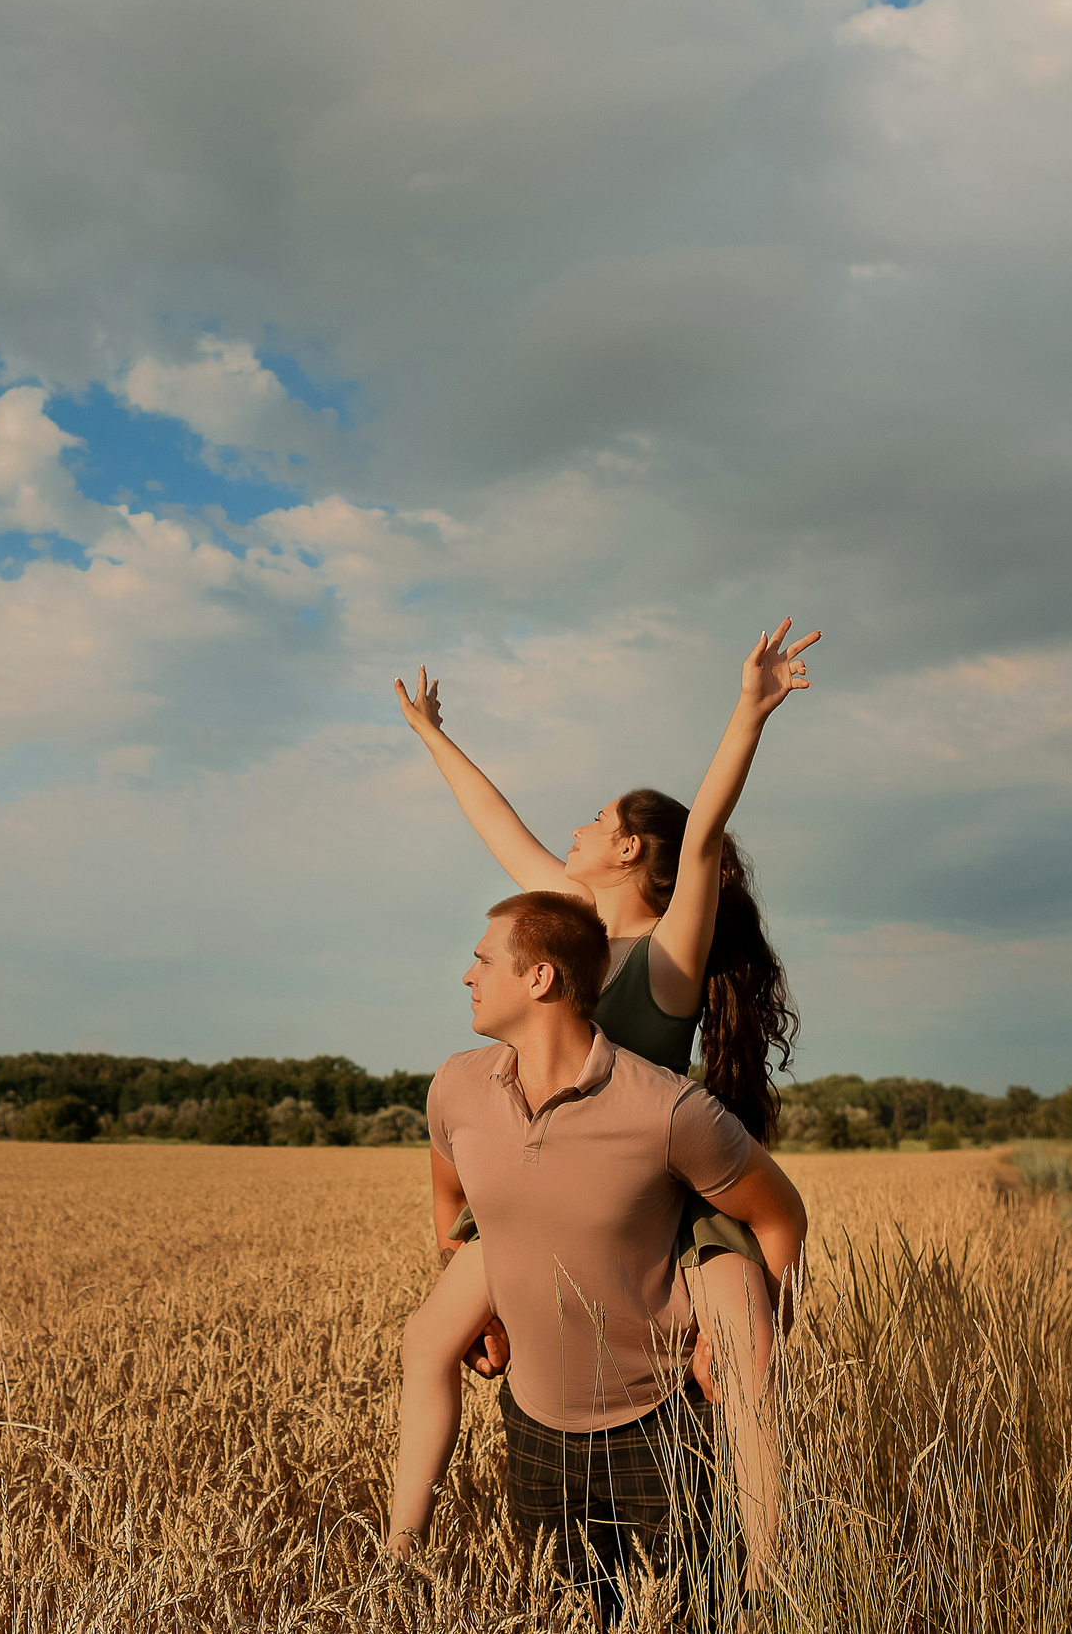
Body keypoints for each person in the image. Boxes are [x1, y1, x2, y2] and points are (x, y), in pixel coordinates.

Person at [389, 620, 819, 1590]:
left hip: (654, 1182)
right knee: (426, 1339)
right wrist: (430, 734)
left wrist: (749, 711)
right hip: (548, 1171)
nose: (573, 832)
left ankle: (767, 1574)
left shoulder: (666, 957)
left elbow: (701, 837)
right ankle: (398, 1561)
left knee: (745, 1354)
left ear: (627, 847)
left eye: (593, 819)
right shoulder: (570, 929)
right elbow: (496, 823)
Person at [387, 893, 808, 1614]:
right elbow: (452, 1200)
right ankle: (396, 1560)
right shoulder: (455, 1086)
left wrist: (759, 1324)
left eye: (484, 959)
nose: (467, 975)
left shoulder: (667, 1111)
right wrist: (477, 1299)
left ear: (540, 977)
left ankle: (771, 1591)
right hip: (535, 1431)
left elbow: (780, 1214)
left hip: (662, 1433)